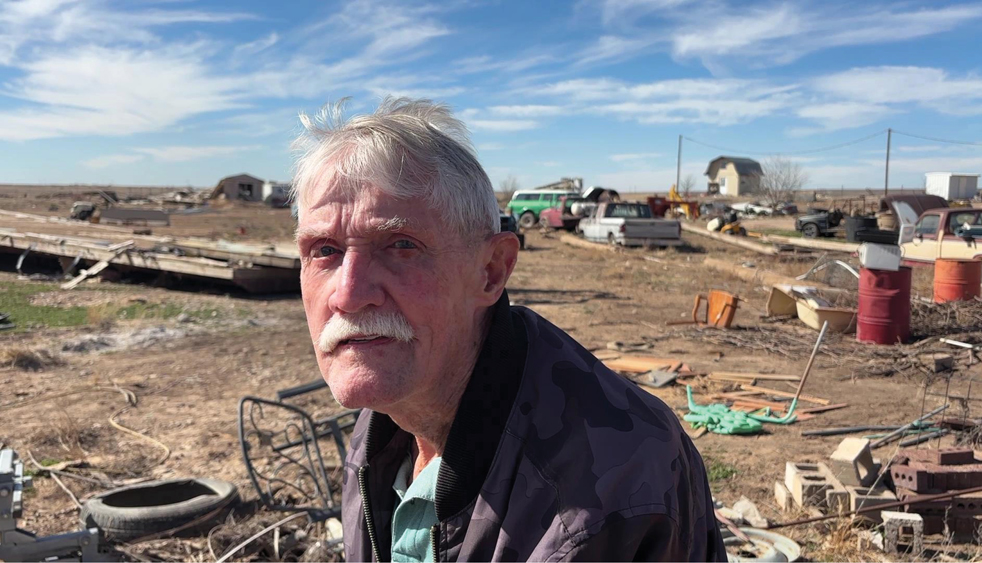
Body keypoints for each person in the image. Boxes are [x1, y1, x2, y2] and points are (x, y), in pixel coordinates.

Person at [291, 97, 726, 562]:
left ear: (492, 271)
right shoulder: (387, 410)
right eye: (324, 250)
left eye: (400, 245)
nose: (348, 294)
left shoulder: (613, 489)